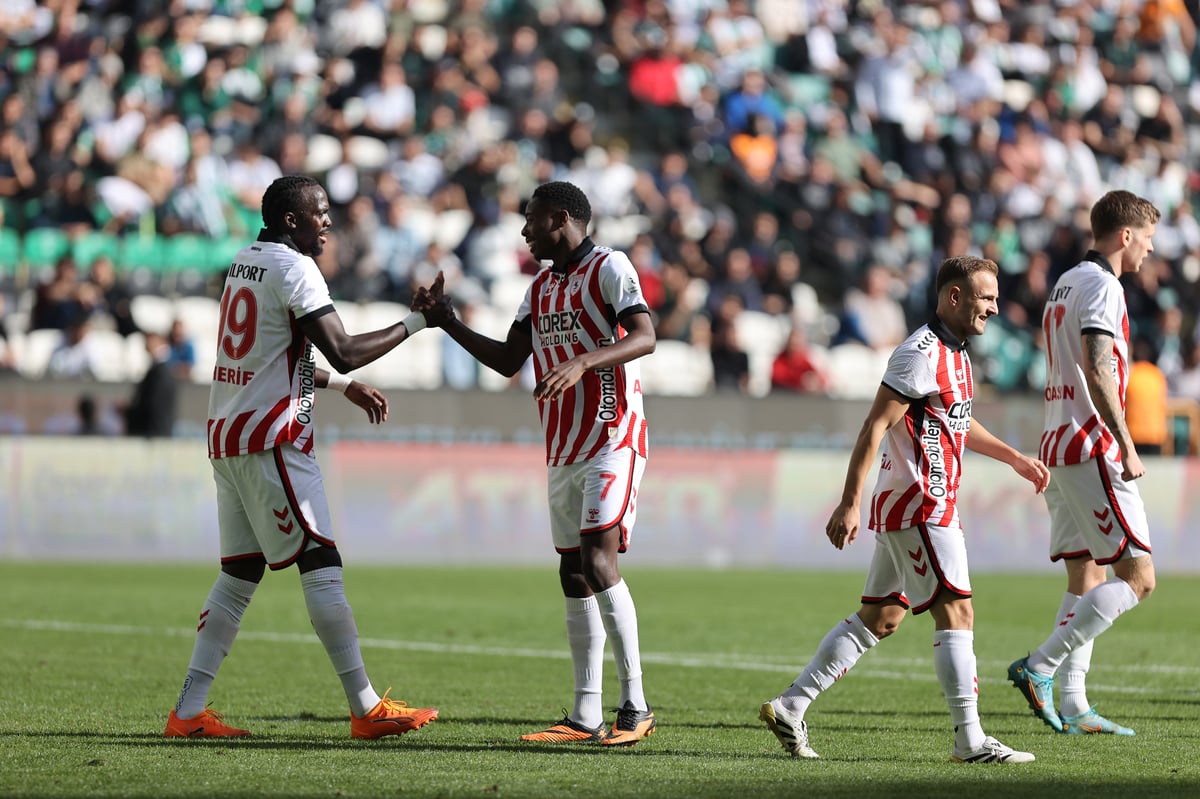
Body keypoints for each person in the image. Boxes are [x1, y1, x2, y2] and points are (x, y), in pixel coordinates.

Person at [164, 175, 449, 739]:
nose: (328, 222)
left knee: (239, 574)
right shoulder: (296, 268)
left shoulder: (244, 262)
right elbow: (342, 350)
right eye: (320, 213)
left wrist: (343, 389)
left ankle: (187, 712)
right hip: (272, 438)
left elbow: (271, 355)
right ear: (291, 220)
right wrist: (418, 321)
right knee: (321, 562)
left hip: (229, 436)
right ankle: (365, 708)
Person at [759, 255, 1050, 764]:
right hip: (922, 503)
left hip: (914, 505)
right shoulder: (920, 353)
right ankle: (970, 741)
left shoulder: (957, 353)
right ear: (955, 296)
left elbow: (957, 421)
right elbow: (874, 426)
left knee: (882, 616)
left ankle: (791, 705)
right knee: (957, 611)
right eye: (986, 297)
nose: (994, 308)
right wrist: (849, 502)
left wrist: (1013, 458)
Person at [423, 181, 658, 746]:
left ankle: (637, 705)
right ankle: (584, 716)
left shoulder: (609, 266)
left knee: (598, 561)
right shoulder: (540, 288)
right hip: (562, 447)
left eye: (532, 219)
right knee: (572, 571)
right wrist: (447, 321)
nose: (525, 230)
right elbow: (510, 360)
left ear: (561, 218)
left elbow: (646, 336)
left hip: (613, 436)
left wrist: (584, 363)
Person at [1008, 190, 1160, 736]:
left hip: (1058, 442)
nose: (1149, 250)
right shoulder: (1103, 285)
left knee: (1087, 573)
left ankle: (1074, 704)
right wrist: (1127, 442)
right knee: (1139, 578)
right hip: (1092, 444)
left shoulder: (1065, 282)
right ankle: (1040, 665)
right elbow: (1098, 370)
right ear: (1125, 235)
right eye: (1147, 238)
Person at [122, 330, 177, 438]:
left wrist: (129, 412)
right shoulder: (157, 370)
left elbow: (152, 405)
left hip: (154, 433)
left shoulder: (161, 372)